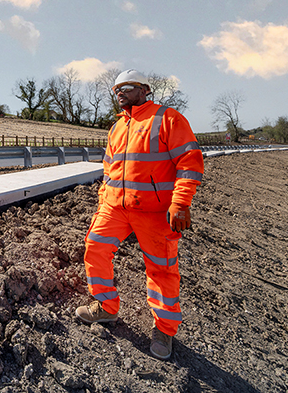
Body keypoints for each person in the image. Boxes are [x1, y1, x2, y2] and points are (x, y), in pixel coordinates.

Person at [75, 69, 204, 361]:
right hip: (114, 208)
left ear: (145, 89)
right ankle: (106, 307)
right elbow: (109, 168)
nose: (120, 92)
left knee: (161, 268)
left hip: (155, 211)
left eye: (127, 87)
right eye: (116, 89)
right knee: (95, 247)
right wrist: (103, 200)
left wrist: (181, 203)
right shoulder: (117, 127)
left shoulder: (167, 119)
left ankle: (165, 328)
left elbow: (190, 162)